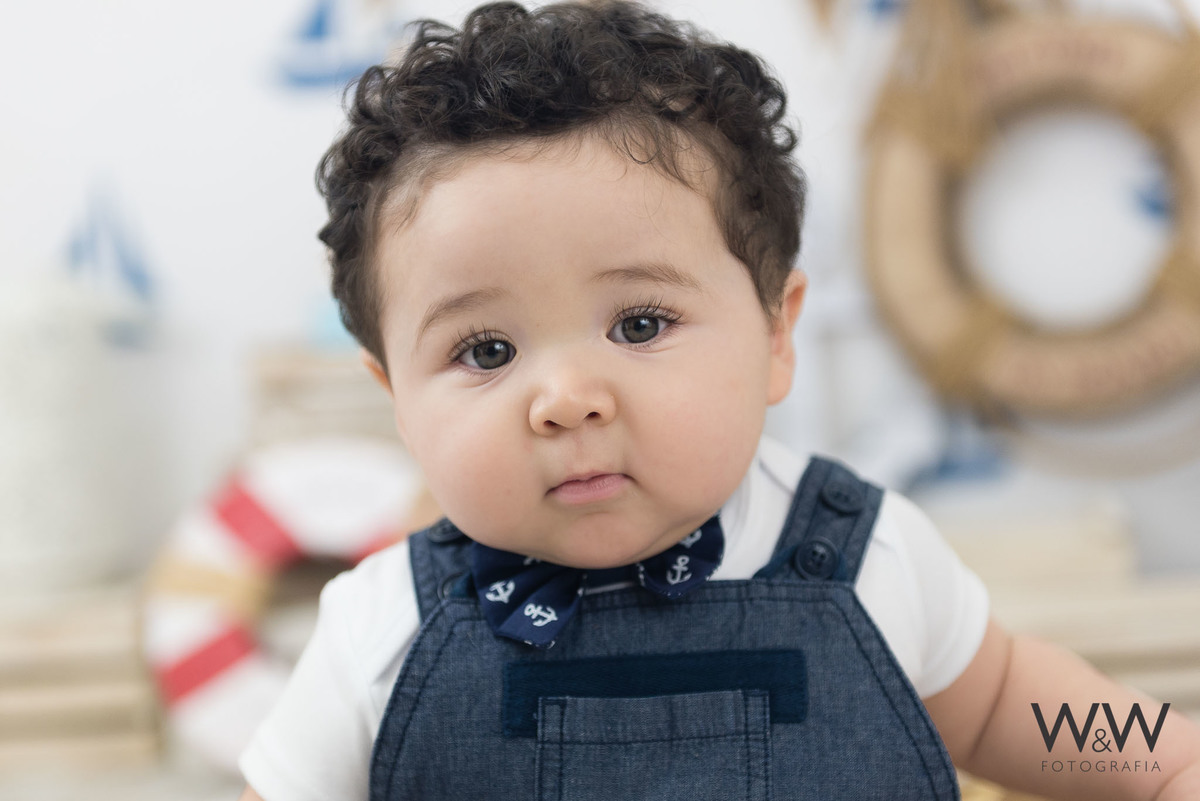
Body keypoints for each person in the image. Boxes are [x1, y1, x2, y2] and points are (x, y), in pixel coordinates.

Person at [237, 2, 1200, 799]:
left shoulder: (873, 557)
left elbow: (1002, 703)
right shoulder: (378, 628)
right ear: (399, 403)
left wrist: (1164, 769)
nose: (567, 399)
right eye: (485, 349)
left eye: (642, 323)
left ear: (777, 335)